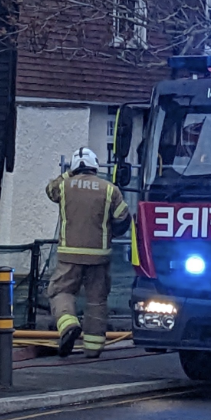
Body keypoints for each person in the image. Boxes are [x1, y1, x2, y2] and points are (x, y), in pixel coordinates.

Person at [46, 147, 131, 358]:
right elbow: (124, 218)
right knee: (97, 300)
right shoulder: (110, 189)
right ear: (95, 166)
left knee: (60, 292)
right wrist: (109, 233)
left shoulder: (64, 186)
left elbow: (50, 190)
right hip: (99, 255)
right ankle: (93, 349)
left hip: (69, 254)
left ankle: (68, 325)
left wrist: (69, 173)